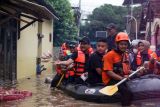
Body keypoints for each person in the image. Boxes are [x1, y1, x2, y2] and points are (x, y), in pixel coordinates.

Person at [102, 32, 132, 106]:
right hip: (110, 79)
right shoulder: (109, 55)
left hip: (119, 78)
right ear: (117, 44)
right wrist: (122, 78)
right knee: (126, 92)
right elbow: (109, 72)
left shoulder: (125, 54)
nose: (123, 46)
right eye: (121, 44)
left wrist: (135, 71)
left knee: (130, 92)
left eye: (125, 44)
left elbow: (126, 69)